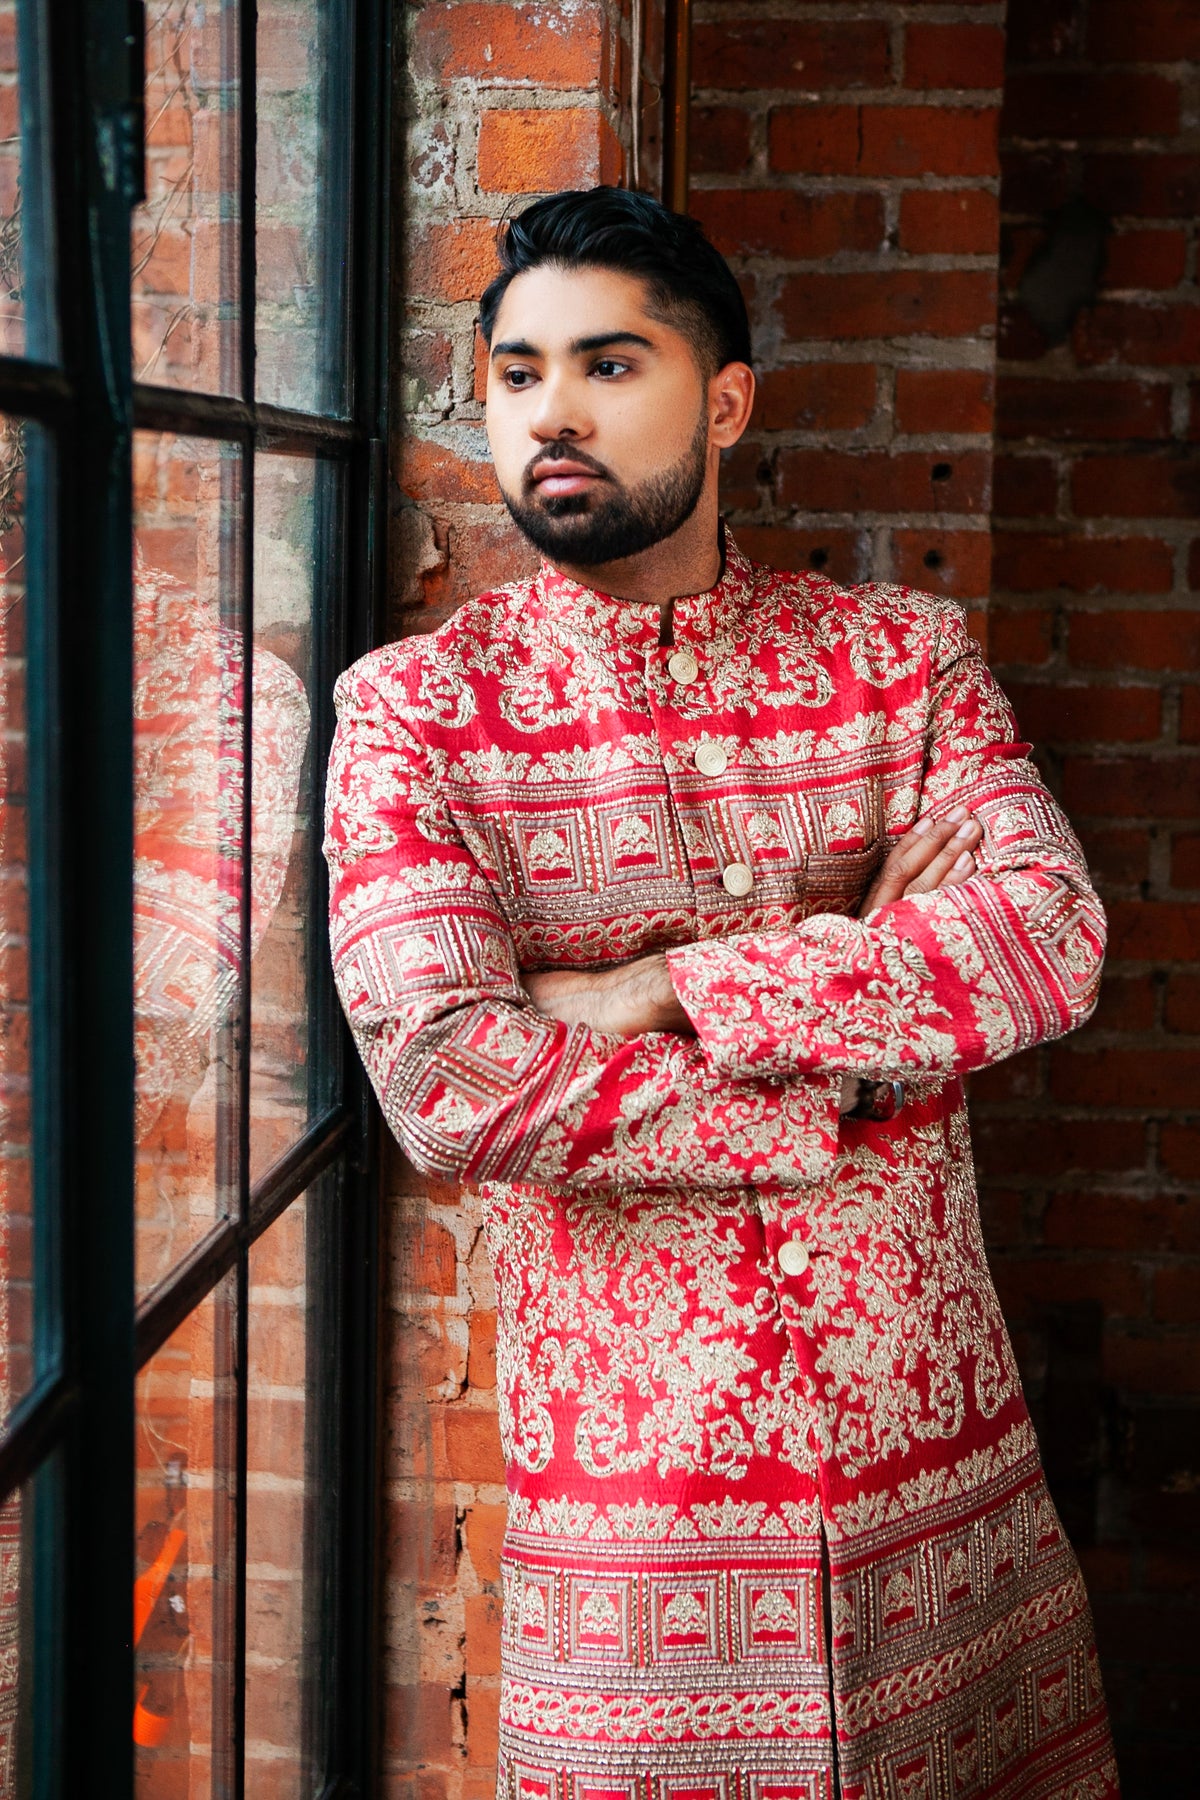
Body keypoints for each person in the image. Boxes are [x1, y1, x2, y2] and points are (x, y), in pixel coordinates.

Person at [325, 187, 1119, 1799]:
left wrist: (651, 990)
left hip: (936, 1479)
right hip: (641, 1509)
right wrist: (858, 1063)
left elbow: (1049, 940)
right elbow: (452, 1081)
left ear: (728, 398)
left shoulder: (900, 661)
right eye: (519, 372)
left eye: (610, 365)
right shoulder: (418, 717)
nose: (553, 411)